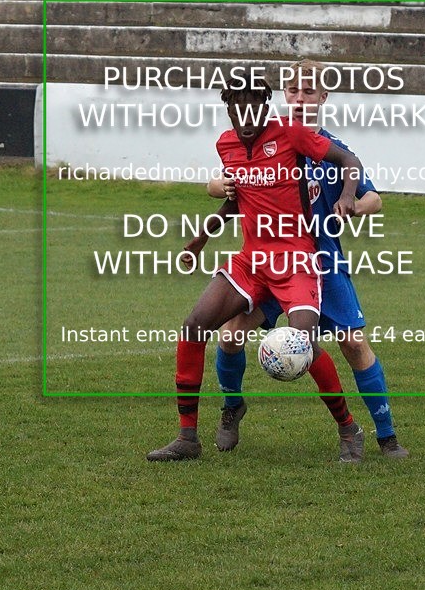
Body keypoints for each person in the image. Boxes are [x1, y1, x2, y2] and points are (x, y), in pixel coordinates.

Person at [147, 69, 366, 463]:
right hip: (252, 259)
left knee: (303, 344)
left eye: (253, 112)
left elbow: (349, 160)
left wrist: (348, 195)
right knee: (194, 327)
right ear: (230, 112)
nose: (246, 124)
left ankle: (349, 429)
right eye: (238, 114)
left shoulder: (291, 133)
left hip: (296, 258)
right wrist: (203, 235)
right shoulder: (226, 144)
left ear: (264, 107)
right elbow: (238, 198)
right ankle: (187, 437)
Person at [201, 60, 409, 459]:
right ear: (284, 95)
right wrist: (216, 185)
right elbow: (223, 182)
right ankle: (231, 408)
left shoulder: (331, 147)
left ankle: (386, 437)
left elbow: (374, 197)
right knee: (229, 335)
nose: (299, 98)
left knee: (353, 343)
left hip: (322, 264)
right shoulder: (264, 135)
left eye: (308, 91)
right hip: (271, 263)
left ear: (322, 97)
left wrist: (352, 205)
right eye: (293, 90)